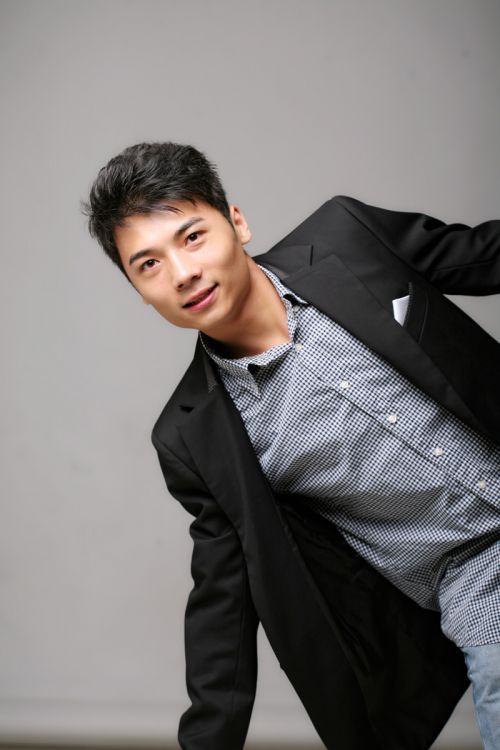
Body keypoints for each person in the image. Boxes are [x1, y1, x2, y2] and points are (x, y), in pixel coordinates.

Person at [85, 141, 500, 750]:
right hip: (478, 582)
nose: (182, 273)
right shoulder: (197, 436)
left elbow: (484, 254)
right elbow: (223, 606)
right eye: (148, 265)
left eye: (192, 237)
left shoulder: (346, 237)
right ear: (138, 291)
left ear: (237, 223)